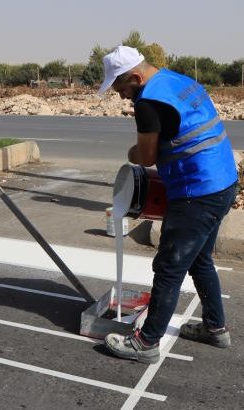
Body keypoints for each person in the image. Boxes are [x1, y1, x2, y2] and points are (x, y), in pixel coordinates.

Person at [98, 46, 238, 364]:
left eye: (121, 89)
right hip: (224, 180)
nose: (122, 97)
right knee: (200, 260)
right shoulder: (177, 80)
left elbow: (145, 157)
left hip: (197, 192)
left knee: (169, 267)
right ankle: (216, 329)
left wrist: (132, 154)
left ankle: (146, 342)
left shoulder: (148, 102)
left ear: (135, 76)